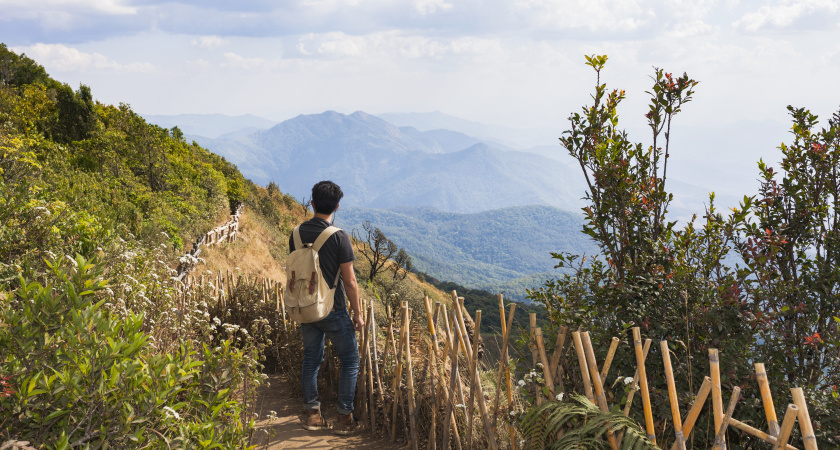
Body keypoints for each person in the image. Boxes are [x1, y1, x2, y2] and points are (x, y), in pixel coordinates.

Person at [290, 180, 364, 435]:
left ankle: (311, 414)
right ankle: (344, 419)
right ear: (337, 206)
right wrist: (358, 314)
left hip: (306, 307)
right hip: (334, 310)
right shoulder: (339, 236)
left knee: (311, 359)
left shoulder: (296, 234)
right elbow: (350, 281)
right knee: (350, 361)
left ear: (311, 203)